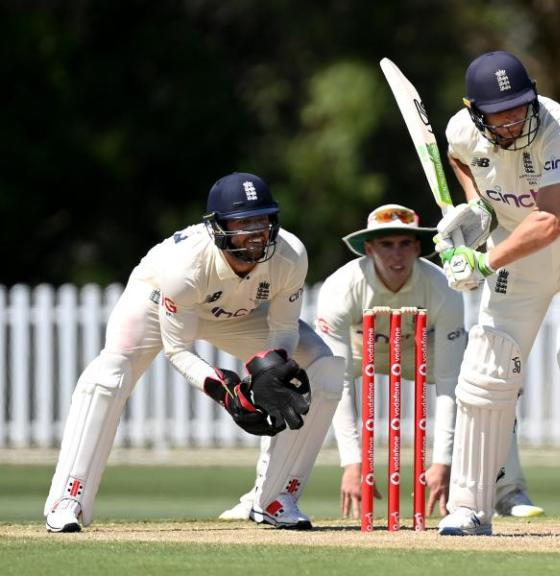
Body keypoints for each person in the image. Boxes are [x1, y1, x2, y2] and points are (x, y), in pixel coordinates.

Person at [44, 172, 345, 533]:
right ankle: (69, 497)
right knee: (110, 374)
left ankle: (275, 497)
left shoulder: (290, 254)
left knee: (323, 367)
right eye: (244, 222)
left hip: (241, 313)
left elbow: (282, 330)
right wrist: (227, 391)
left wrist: (271, 370)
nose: (256, 232)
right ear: (218, 227)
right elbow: (178, 350)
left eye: (263, 219)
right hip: (158, 303)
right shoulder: (183, 265)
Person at [219, 203, 542, 522]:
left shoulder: (442, 286)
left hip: (419, 348)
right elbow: (339, 378)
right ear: (369, 249)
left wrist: (442, 463)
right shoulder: (341, 286)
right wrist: (353, 464)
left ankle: (508, 491)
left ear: (418, 248)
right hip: (360, 349)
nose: (396, 255)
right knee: (289, 387)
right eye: (386, 244)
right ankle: (261, 495)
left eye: (405, 244)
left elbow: (447, 381)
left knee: (485, 384)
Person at [434, 51, 560, 538]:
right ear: (476, 111)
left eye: (520, 106)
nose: (513, 119)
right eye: (500, 112)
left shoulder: (557, 126)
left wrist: (481, 260)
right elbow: (458, 156)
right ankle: (468, 507)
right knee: (488, 364)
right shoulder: (462, 128)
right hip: (517, 240)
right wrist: (477, 210)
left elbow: (550, 220)